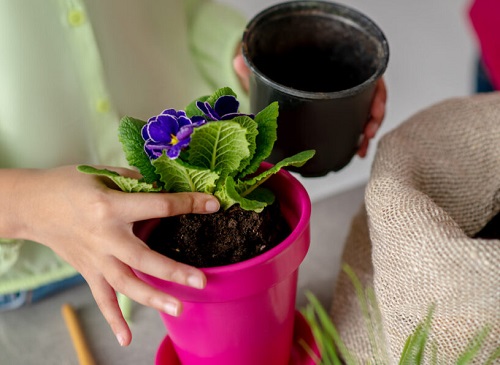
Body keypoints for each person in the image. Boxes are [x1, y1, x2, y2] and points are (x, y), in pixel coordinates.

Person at [0, 0, 386, 348]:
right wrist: (31, 208)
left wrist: (254, 58)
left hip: (188, 167)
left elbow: (178, 9)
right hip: (35, 272)